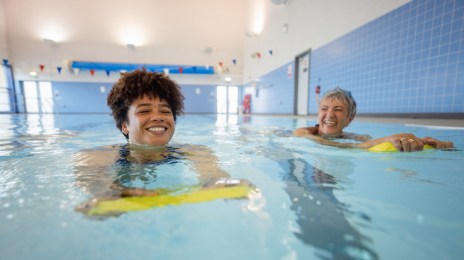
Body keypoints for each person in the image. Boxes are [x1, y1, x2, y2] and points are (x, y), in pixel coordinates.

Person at [74, 69, 257, 217]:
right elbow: (95, 180)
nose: (158, 117)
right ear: (125, 126)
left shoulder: (195, 151)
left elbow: (213, 176)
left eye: (166, 111)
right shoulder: (99, 155)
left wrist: (223, 182)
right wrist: (112, 192)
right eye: (144, 111)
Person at [294, 87, 454, 152]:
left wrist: (421, 143)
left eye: (338, 109)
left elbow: (381, 143)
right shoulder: (302, 132)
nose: (329, 115)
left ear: (349, 119)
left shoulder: (356, 137)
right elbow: (324, 144)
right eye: (324, 109)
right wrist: (370, 144)